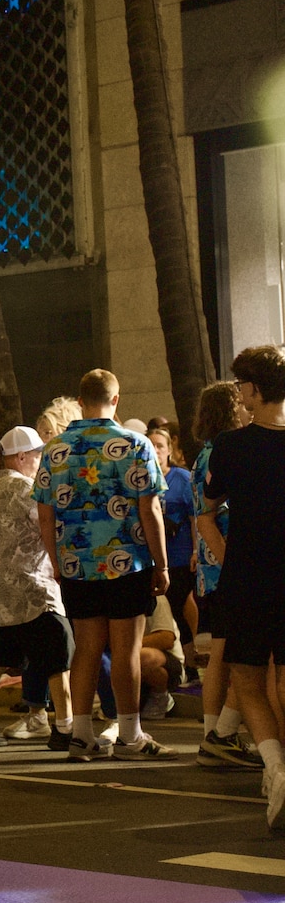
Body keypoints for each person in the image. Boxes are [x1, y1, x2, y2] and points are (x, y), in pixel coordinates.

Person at [34, 370, 173, 762]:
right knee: (126, 651)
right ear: (116, 400)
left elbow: (45, 515)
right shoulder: (135, 444)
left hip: (77, 563)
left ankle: (80, 735)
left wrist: (57, 562)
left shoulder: (56, 449)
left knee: (86, 649)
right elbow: (151, 509)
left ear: (80, 401)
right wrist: (161, 565)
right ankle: (130, 735)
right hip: (128, 561)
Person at [199, 345, 285, 825]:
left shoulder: (229, 447)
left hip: (248, 579)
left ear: (253, 390)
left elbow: (207, 513)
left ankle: (277, 770)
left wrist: (233, 559)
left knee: (248, 680)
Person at [0, 426, 73, 749]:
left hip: (1, 597)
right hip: (33, 592)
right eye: (39, 454)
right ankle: (66, 727)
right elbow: (49, 526)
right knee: (59, 653)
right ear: (22, 457)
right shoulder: (27, 489)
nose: (42, 460)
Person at [190, 381, 261, 769]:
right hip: (229, 566)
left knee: (222, 651)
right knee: (236, 654)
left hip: (215, 568)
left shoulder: (207, 453)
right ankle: (220, 735)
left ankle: (213, 734)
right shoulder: (225, 452)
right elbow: (208, 518)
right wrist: (233, 567)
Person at [149, 426, 198, 682]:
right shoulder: (143, 477)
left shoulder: (181, 478)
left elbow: (195, 517)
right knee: (164, 613)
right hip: (154, 558)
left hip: (179, 557)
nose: (156, 450)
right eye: (152, 445)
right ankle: (181, 662)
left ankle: (189, 664)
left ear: (169, 450)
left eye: (160, 445)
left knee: (178, 608)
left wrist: (196, 549)